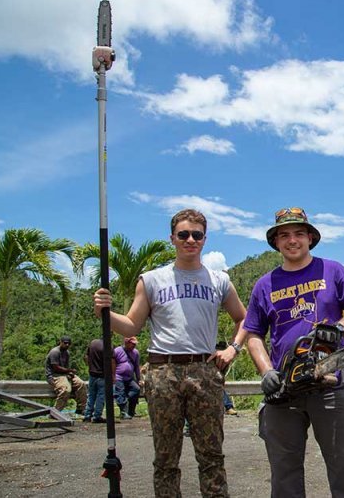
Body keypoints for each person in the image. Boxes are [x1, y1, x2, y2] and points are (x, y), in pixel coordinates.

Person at [93, 209, 247, 498]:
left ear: (205, 239)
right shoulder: (152, 280)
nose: (190, 240)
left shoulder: (219, 280)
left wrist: (233, 349)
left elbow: (243, 318)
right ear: (172, 238)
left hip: (205, 370)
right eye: (183, 234)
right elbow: (132, 324)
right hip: (163, 372)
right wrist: (105, 312)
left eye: (197, 235)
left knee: (212, 455)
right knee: (165, 458)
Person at [243, 206, 344, 498]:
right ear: (276, 242)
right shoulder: (264, 285)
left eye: (299, 233)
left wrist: (337, 329)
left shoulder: (333, 270)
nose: (292, 240)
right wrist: (266, 371)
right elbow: (253, 335)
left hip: (332, 385)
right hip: (285, 389)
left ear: (310, 238)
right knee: (284, 474)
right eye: (284, 235)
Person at [45, 335, 87, 416]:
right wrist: (69, 370)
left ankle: (81, 408)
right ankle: (55, 412)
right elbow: (56, 367)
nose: (67, 345)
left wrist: (70, 373)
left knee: (81, 384)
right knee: (66, 389)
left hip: (64, 374)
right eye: (65, 343)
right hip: (54, 375)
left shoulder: (67, 353)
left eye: (68, 343)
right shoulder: (55, 352)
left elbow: (65, 367)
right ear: (60, 342)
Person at [113, 335, 141, 419]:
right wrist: (113, 376)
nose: (134, 345)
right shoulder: (117, 351)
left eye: (135, 344)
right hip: (118, 376)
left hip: (129, 378)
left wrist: (138, 379)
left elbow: (136, 366)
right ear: (127, 343)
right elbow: (112, 363)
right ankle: (123, 412)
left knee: (136, 389)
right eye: (132, 344)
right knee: (120, 392)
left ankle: (131, 411)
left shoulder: (136, 353)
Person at [83, 338, 106, 423]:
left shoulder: (93, 343)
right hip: (102, 375)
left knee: (91, 395)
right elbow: (111, 361)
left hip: (92, 374)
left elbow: (86, 357)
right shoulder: (107, 346)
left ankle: (87, 415)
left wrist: (90, 366)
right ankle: (97, 416)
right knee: (101, 396)